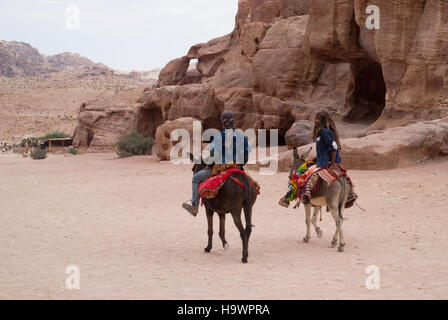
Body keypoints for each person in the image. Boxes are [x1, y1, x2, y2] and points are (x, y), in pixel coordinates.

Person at [182, 112, 250, 216]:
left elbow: (214, 156)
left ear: (223, 124)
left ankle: (194, 207)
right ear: (233, 122)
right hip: (238, 169)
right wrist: (237, 164)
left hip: (221, 168)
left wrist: (209, 165)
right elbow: (245, 159)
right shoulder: (241, 136)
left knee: (195, 178)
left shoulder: (219, 136)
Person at [279, 111, 344, 207]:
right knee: (301, 170)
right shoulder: (321, 132)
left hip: (324, 162)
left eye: (318, 119)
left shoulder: (323, 132)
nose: (316, 120)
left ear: (323, 121)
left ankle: (292, 197)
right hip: (319, 159)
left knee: (300, 174)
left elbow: (333, 147)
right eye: (315, 118)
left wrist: (333, 163)